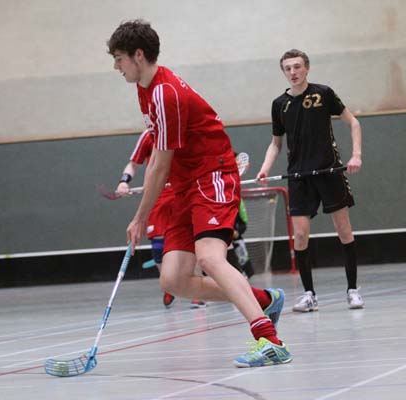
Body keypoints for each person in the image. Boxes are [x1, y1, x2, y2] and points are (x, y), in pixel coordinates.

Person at [108, 19, 291, 367]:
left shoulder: (165, 93)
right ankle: (264, 300)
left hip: (211, 177)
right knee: (174, 280)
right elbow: (160, 159)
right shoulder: (145, 89)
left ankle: (269, 340)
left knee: (209, 258)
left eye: (119, 59)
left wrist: (140, 217)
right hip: (184, 187)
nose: (116, 67)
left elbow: (159, 165)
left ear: (138, 55)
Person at [256, 49, 364, 312]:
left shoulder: (323, 93)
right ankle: (309, 295)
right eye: (288, 68)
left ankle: (352, 290)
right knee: (301, 235)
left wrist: (356, 155)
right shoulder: (279, 104)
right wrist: (264, 168)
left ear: (307, 68)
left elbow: (353, 123)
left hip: (329, 172)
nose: (293, 72)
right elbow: (276, 143)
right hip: (299, 177)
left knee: (344, 230)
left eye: (297, 67)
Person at [115, 129, 205, 309]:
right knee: (158, 245)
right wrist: (124, 181)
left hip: (183, 194)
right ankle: (169, 285)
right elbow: (133, 164)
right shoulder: (148, 135)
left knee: (190, 242)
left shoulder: (183, 131)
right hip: (157, 197)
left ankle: (197, 293)